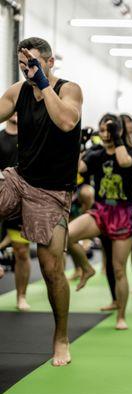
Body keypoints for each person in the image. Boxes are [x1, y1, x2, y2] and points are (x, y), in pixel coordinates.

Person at [0, 37, 83, 366]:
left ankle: (61, 336)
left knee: (51, 270)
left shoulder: (68, 89)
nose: (27, 69)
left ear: (50, 61)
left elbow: (66, 121)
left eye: (33, 63)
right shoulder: (17, 91)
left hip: (52, 191)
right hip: (20, 179)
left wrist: (43, 84)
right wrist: (28, 80)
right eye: (23, 65)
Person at [68, 113, 132, 330]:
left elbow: (124, 162)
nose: (104, 132)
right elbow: (78, 169)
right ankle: (86, 268)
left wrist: (118, 138)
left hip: (124, 212)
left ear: (116, 131)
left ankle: (121, 315)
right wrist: (79, 142)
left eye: (108, 129)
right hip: (101, 210)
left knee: (119, 269)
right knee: (65, 235)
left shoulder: (131, 151)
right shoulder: (96, 153)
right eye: (102, 128)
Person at [0, 112, 32, 311]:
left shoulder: (30, 137)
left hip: (22, 200)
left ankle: (21, 296)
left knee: (21, 251)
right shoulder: (0, 138)